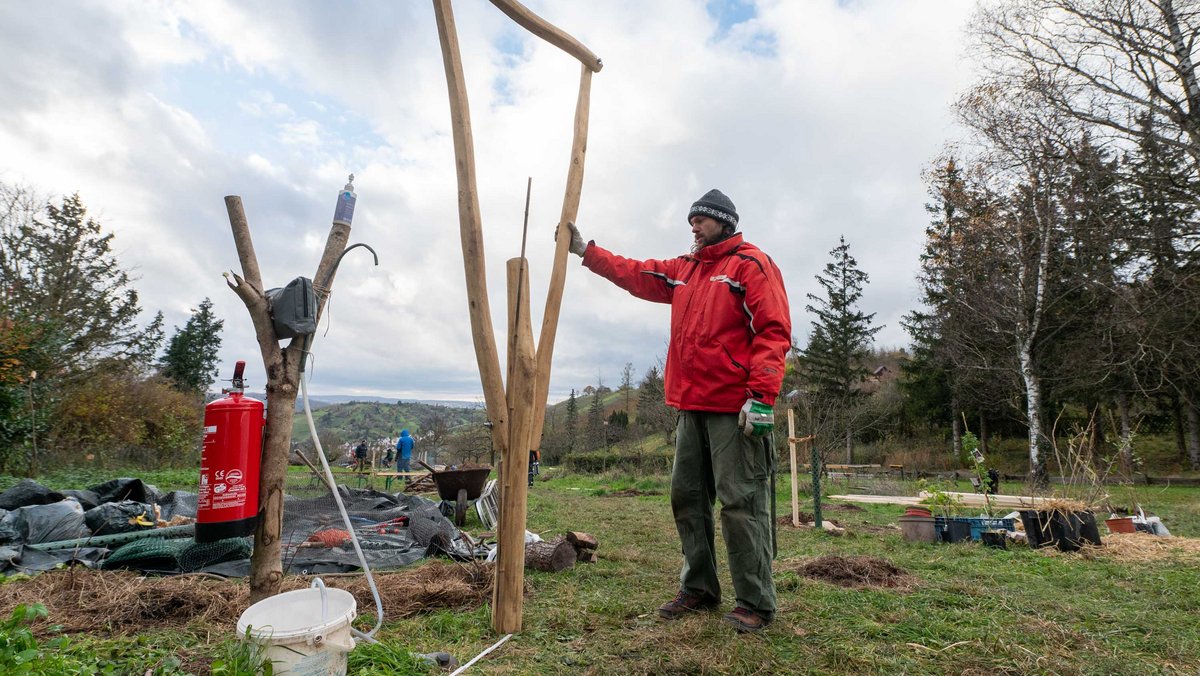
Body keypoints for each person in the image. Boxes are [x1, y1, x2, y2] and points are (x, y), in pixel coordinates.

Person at [566, 188, 791, 633]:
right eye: (691, 220)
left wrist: (762, 397)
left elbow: (773, 330)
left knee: (740, 503)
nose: (693, 226)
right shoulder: (685, 271)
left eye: (702, 220)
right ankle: (700, 587)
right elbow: (636, 272)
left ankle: (756, 601)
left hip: (735, 409)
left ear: (724, 222)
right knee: (687, 499)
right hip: (690, 408)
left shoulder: (751, 265)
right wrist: (585, 251)